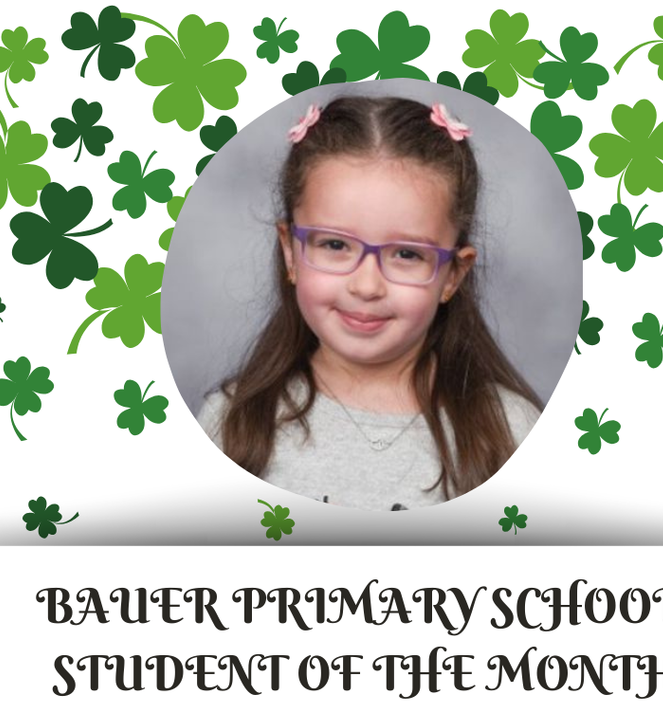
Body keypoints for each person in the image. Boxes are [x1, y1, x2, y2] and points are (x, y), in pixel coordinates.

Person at [198, 94, 542, 511]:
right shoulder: (231, 422)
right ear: (290, 252)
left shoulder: (512, 433)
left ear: (453, 275)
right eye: (335, 244)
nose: (366, 286)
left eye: (407, 254)